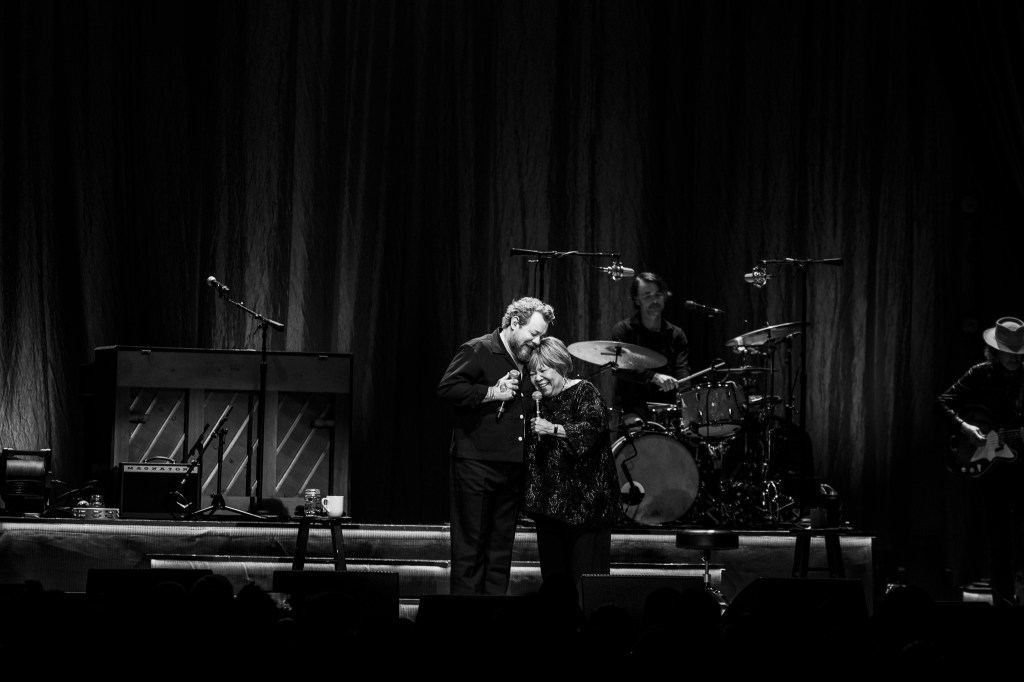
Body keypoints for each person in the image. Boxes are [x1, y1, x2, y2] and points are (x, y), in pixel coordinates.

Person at [437, 296, 556, 596]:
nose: (537, 341)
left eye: (541, 335)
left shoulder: (529, 359)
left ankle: (493, 622)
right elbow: (448, 389)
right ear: (515, 323)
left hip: (511, 470)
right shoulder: (478, 349)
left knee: (500, 552)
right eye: (533, 334)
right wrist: (491, 392)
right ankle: (466, 624)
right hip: (475, 466)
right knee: (470, 550)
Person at [524, 337, 622, 602]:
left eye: (543, 370)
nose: (537, 378)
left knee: (584, 586)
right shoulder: (538, 402)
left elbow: (593, 431)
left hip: (584, 508)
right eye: (532, 372)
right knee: (555, 586)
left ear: (559, 366)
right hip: (549, 509)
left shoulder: (584, 392)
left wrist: (554, 429)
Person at [936, 315, 1024, 607]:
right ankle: (1003, 604)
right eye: (1009, 354)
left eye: (1018, 354)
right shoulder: (980, 374)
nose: (1014, 359)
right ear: (995, 351)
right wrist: (965, 428)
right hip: (994, 471)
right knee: (998, 540)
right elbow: (943, 402)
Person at [610, 271, 691, 425]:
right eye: (647, 296)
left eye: (658, 294)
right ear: (637, 300)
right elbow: (619, 368)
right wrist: (653, 377)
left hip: (669, 407)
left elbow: (682, 371)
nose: (654, 300)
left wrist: (686, 400)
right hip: (633, 407)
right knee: (639, 438)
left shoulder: (677, 335)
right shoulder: (623, 331)